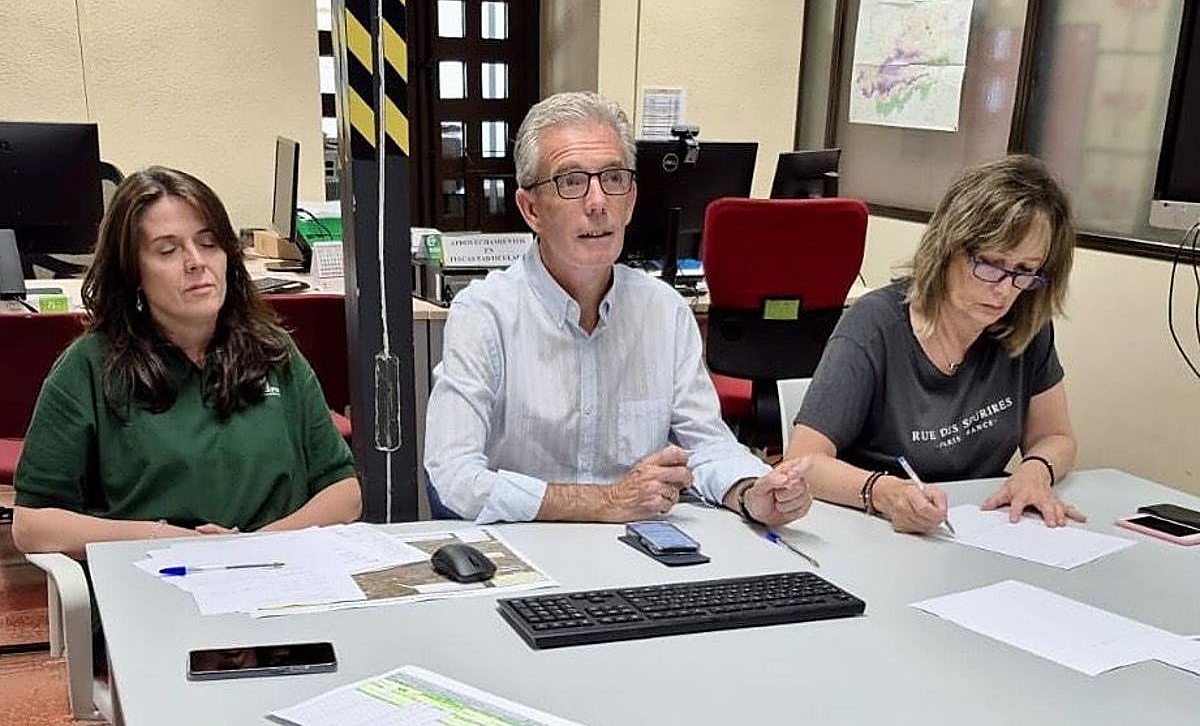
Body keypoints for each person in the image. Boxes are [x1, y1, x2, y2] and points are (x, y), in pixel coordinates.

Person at [424, 92, 811, 525]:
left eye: (613, 178)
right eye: (571, 181)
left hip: (640, 551)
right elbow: (452, 475)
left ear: (630, 199)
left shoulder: (663, 311)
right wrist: (605, 502)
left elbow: (705, 444)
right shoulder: (485, 313)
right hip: (527, 552)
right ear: (530, 208)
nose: (597, 202)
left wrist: (751, 492)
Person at [13, 167, 362, 559]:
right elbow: (32, 525)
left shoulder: (272, 351)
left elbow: (344, 491)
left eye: (209, 243)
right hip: (153, 581)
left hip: (275, 578)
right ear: (133, 272)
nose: (196, 261)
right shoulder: (89, 367)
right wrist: (164, 540)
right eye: (168, 249)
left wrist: (253, 548)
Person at [785, 154, 1084, 534]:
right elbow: (803, 460)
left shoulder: (1026, 327)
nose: (1005, 289)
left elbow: (1055, 437)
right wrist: (887, 493)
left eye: (1025, 272)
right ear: (948, 248)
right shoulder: (875, 325)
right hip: (875, 529)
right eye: (991, 263)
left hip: (982, 529)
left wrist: (1035, 470)